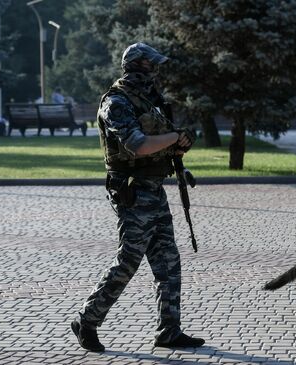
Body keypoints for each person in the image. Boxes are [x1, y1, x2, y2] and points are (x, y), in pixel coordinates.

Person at [71, 42, 204, 352]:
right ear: (134, 66)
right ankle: (86, 321)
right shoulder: (116, 102)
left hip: (154, 190)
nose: (154, 72)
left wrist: (181, 143)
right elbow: (138, 145)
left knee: (168, 261)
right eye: (149, 66)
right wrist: (175, 136)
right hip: (131, 192)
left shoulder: (149, 101)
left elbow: (164, 144)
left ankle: (169, 331)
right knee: (128, 261)